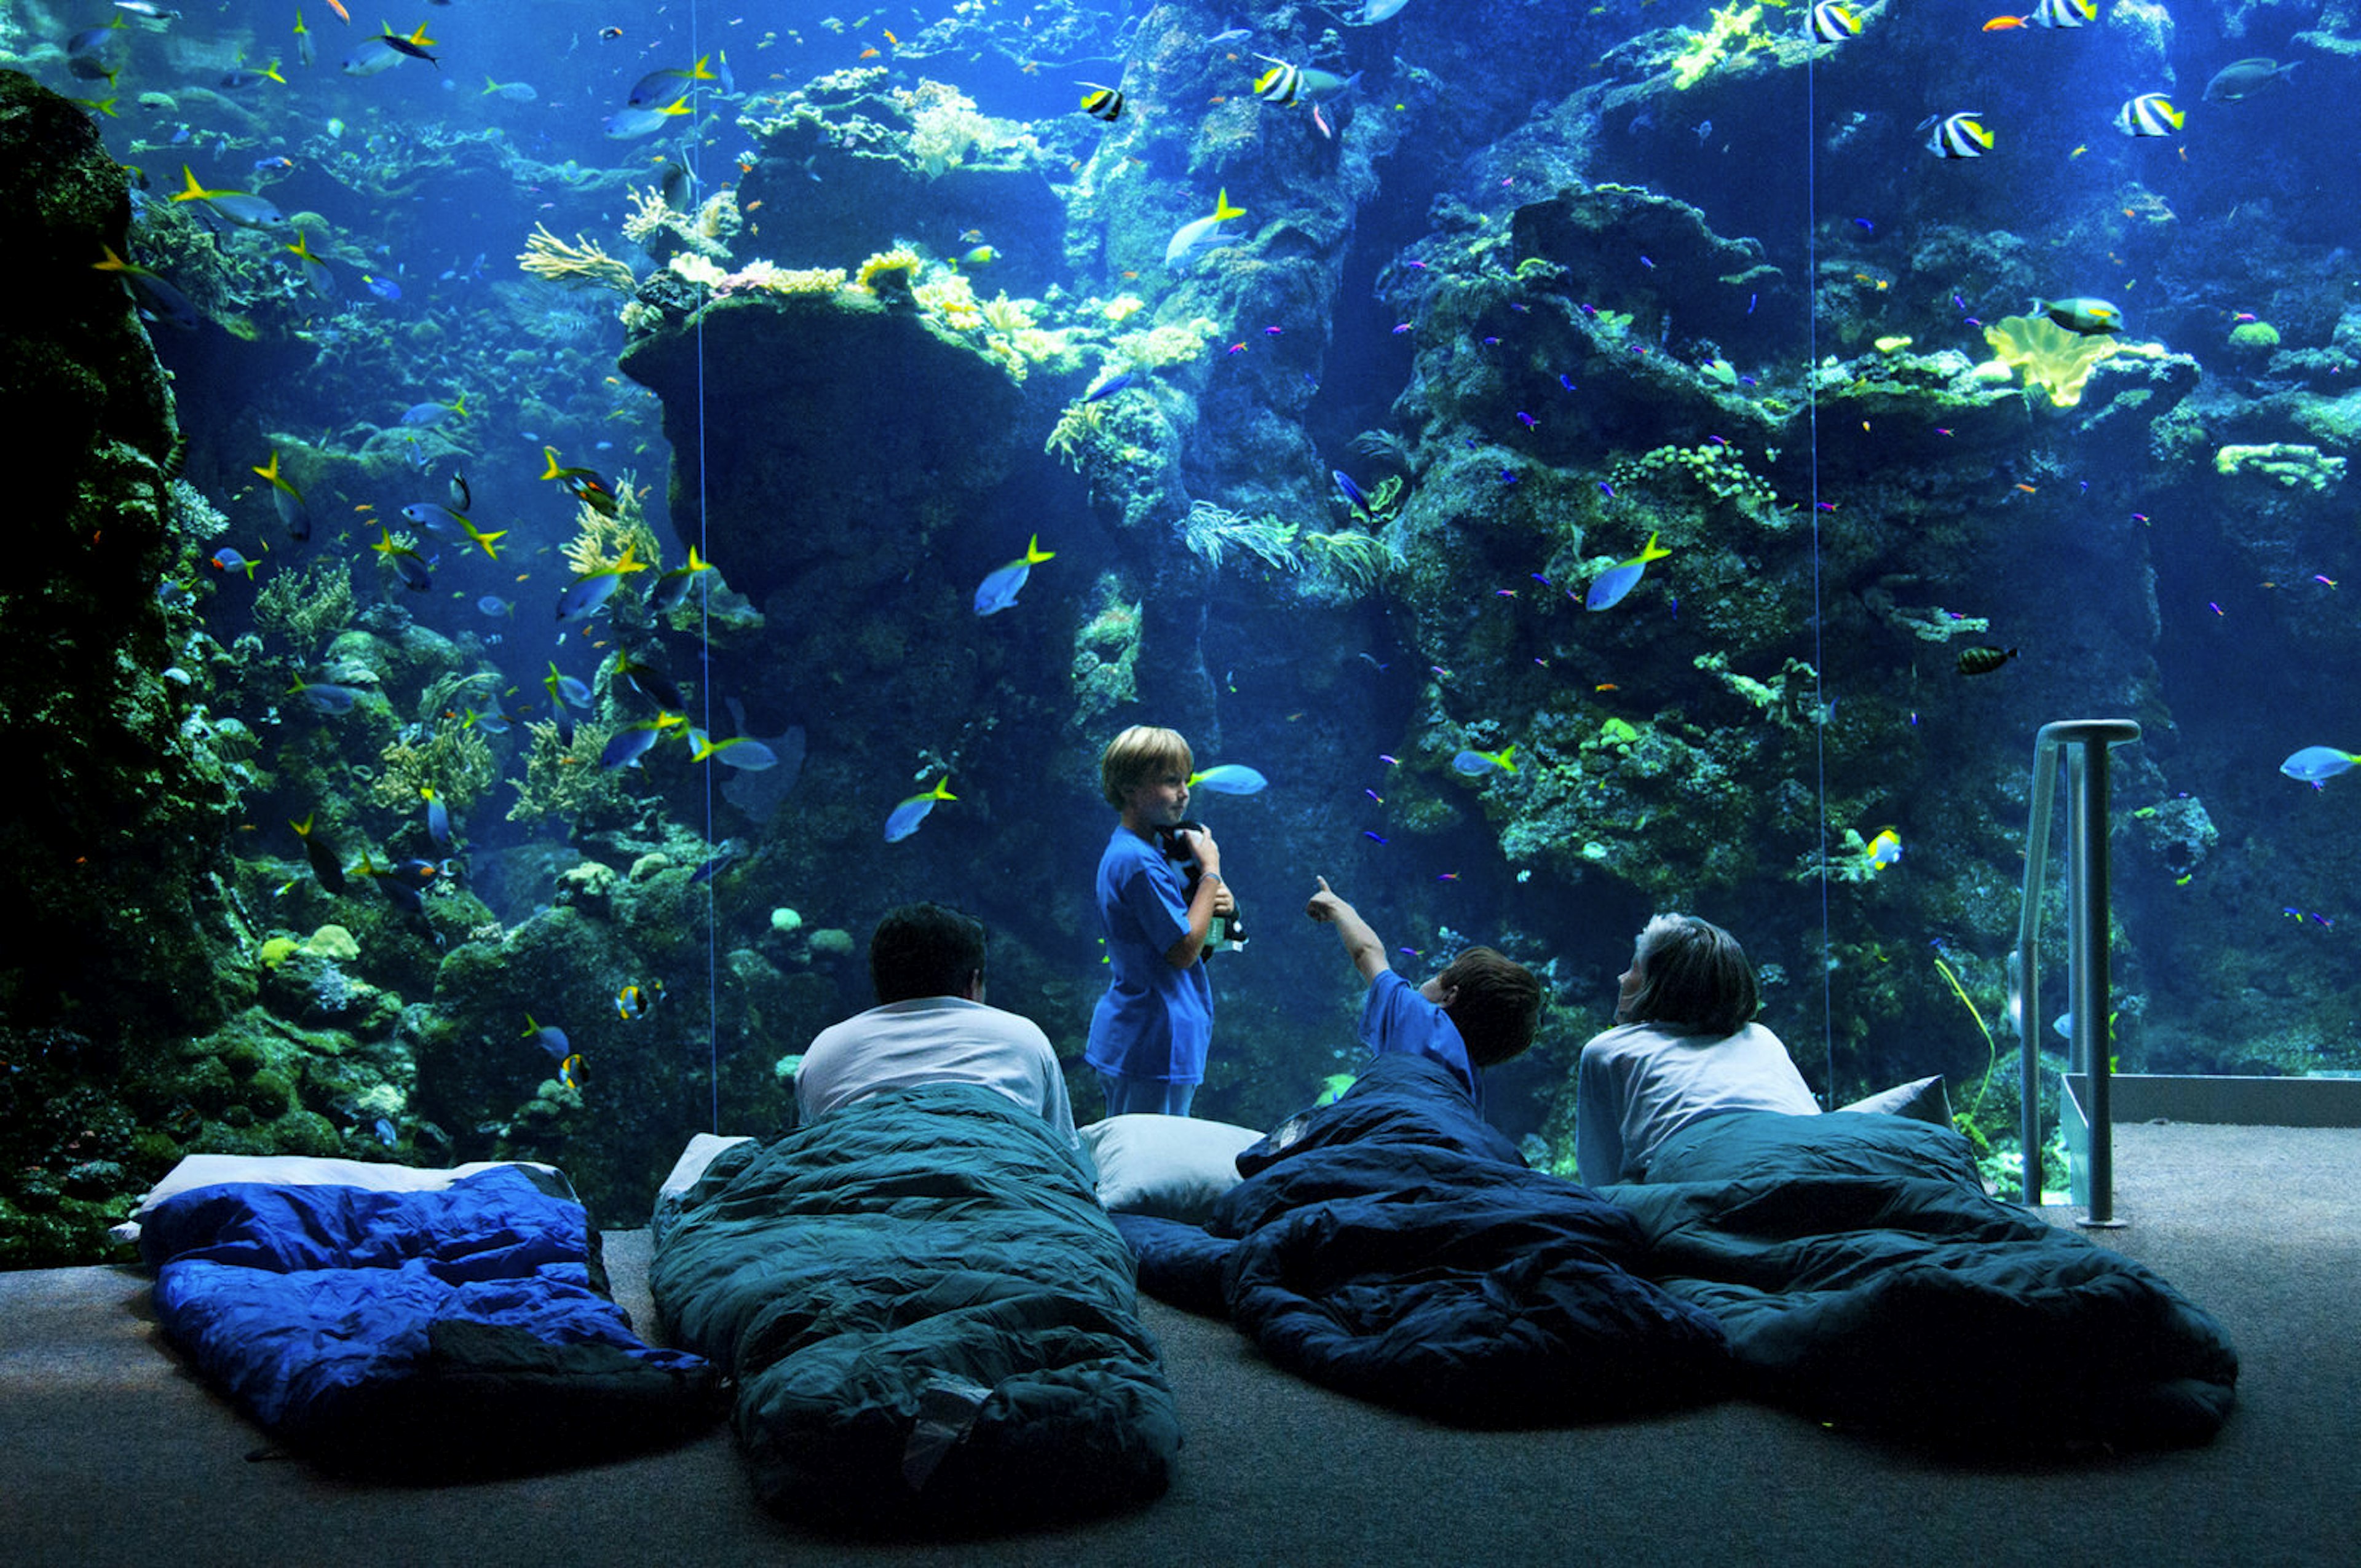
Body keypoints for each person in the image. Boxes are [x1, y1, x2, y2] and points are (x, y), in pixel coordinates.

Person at [796, 902, 1077, 1146]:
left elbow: (812, 1156)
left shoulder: (826, 1048)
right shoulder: (1023, 1037)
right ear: (973, 982)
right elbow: (1059, 1155)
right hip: (995, 1191)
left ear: (879, 981)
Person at [1575, 913, 1819, 1186]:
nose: (1622, 979)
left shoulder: (1609, 1050)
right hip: (1814, 1151)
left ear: (1659, 986)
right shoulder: (1762, 1036)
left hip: (1705, 1167)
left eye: (1634, 967)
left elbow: (1601, 1177)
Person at [1085, 725, 1236, 1117]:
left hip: (1150, 1035)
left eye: (1185, 781)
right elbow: (1183, 951)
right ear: (1130, 787)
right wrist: (1211, 873)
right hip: (1152, 1040)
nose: (1184, 792)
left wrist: (1217, 903)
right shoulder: (1137, 862)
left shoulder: (1139, 854)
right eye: (1170, 781)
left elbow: (1199, 944)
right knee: (1148, 1164)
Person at [1303, 875, 1542, 1113]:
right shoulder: (1470, 1091)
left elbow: (1367, 953)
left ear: (1449, 997)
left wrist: (1337, 907)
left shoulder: (1420, 1017)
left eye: (1441, 973)